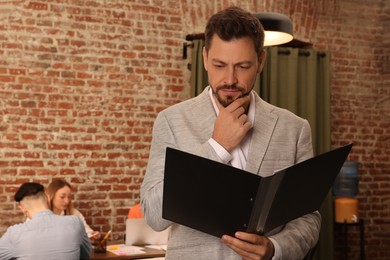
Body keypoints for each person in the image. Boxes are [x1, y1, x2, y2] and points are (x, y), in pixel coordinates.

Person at [140, 6, 321, 260]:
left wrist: (274, 248)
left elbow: (308, 218)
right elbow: (152, 215)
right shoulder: (171, 121)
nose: (230, 79)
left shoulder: (295, 129)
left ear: (261, 62)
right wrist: (216, 146)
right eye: (219, 65)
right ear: (204, 59)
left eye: (243, 66)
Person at [0, 182, 91, 259]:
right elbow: (85, 256)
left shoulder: (14, 233)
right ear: (47, 199)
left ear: (22, 208)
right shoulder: (76, 222)